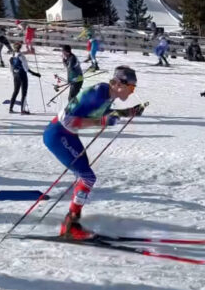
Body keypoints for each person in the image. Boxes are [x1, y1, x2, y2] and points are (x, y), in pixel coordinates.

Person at [43, 66, 145, 239]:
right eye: (131, 87)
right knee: (87, 177)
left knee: (87, 177)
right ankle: (70, 226)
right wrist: (102, 121)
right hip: (58, 134)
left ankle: (71, 223)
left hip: (67, 134)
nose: (132, 91)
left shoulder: (106, 93)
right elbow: (69, 120)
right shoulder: (98, 93)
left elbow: (100, 112)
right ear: (119, 84)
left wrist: (127, 112)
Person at [9, 42, 41, 114]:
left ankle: (10, 108)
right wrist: (35, 74)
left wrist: (14, 74)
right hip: (22, 75)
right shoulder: (22, 56)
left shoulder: (12, 56)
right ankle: (22, 110)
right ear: (20, 47)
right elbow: (26, 68)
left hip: (15, 75)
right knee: (24, 92)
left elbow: (11, 68)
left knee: (15, 91)